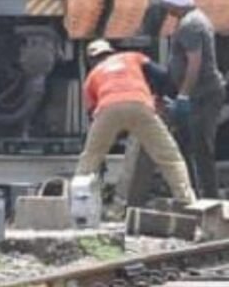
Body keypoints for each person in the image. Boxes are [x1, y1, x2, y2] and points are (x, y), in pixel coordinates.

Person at [75, 40, 197, 204]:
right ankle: (186, 200)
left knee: (90, 158)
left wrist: (105, 147)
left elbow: (93, 115)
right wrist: (162, 96)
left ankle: (77, 202)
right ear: (112, 52)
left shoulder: (91, 77)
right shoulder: (132, 57)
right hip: (140, 105)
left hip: (107, 108)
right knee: (169, 157)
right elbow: (163, 76)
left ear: (90, 60)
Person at [161, 0, 224, 198]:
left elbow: (194, 63)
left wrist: (183, 96)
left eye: (168, 2)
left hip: (202, 95)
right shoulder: (193, 20)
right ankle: (194, 194)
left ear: (175, 1)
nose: (165, 6)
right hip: (200, 94)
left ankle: (208, 197)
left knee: (201, 147)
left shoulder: (190, 25)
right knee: (188, 145)